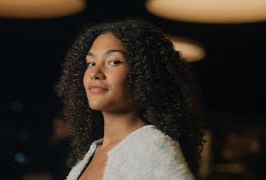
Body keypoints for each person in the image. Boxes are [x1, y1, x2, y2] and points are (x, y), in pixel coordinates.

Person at [56, 19, 204, 180]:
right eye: (91, 63)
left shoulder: (152, 147)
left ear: (143, 75)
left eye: (113, 62)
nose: (95, 72)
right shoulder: (93, 152)